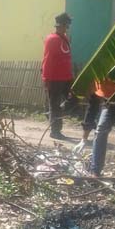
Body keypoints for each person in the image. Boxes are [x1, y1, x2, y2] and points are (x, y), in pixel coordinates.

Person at [42, 12, 74, 140]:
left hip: (66, 78)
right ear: (60, 26)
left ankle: (52, 113)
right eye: (66, 26)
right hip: (54, 79)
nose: (67, 28)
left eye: (68, 26)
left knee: (74, 99)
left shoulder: (64, 38)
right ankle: (55, 131)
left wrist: (71, 76)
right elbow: (47, 60)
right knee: (55, 104)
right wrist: (46, 78)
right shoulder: (52, 39)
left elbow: (67, 59)